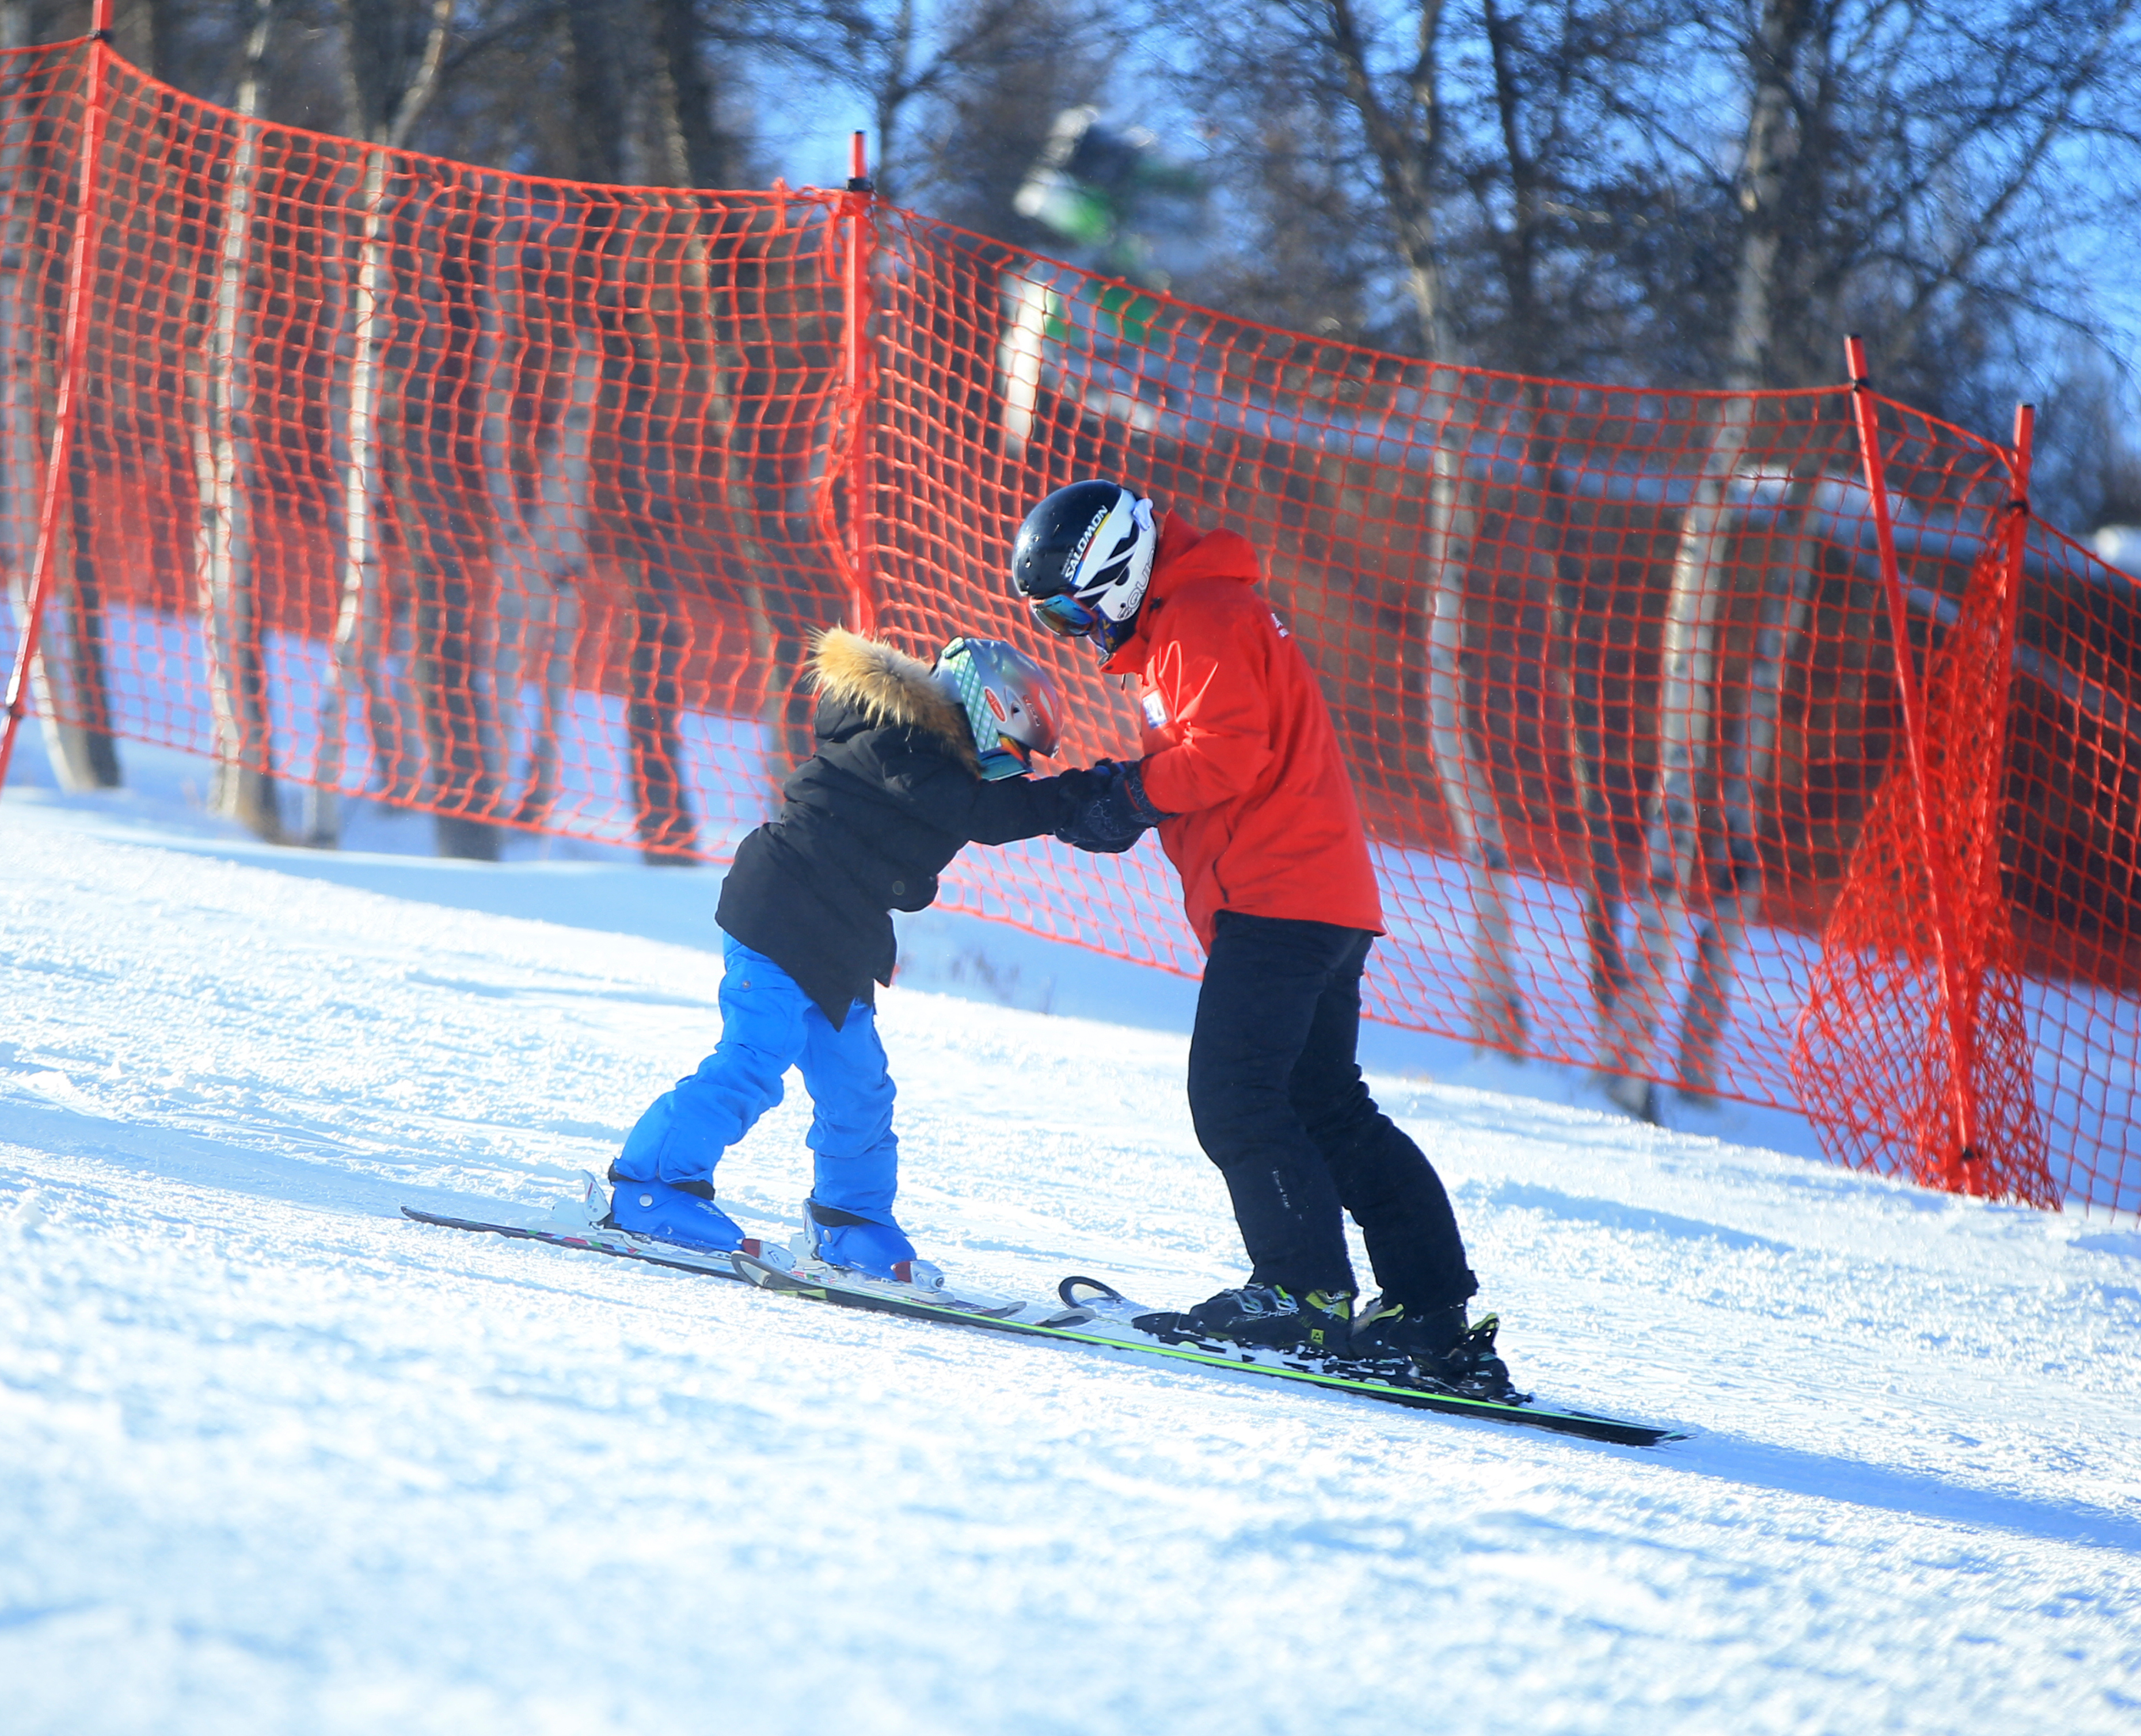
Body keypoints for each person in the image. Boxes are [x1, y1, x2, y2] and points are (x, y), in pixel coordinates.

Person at [1009, 479, 1510, 1397]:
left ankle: (1301, 1293)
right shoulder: (1194, 615)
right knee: (1325, 1105)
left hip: (1282, 897)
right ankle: (1428, 1311)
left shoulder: (1199, 612)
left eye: (1071, 612)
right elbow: (1224, 751)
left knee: (1236, 1096)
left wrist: (1127, 794)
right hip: (1314, 894)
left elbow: (1229, 752)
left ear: (1115, 571)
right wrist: (1126, 797)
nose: (1074, 633)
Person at [602, 629, 1083, 1287]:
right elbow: (983, 812)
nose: (1006, 774)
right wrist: (1102, 795)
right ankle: (650, 1187)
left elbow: (983, 806)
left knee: (859, 1087)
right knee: (755, 1055)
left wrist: (1110, 800)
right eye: (1007, 758)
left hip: (841, 937)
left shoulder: (933, 762)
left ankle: (851, 1221)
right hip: (779, 912)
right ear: (982, 713)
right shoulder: (897, 741)